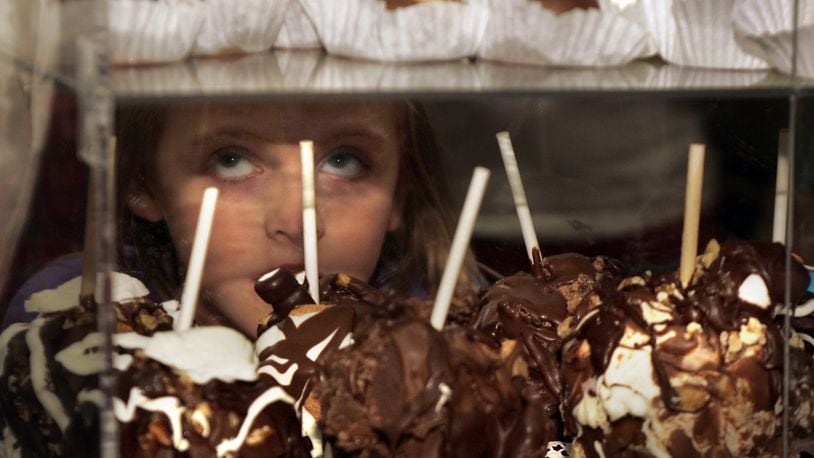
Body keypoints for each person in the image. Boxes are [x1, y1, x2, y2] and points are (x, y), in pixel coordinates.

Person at [2, 99, 484, 337]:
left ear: (398, 195)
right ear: (144, 184)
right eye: (230, 160)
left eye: (343, 161)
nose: (297, 222)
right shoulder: (77, 317)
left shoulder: (434, 332)